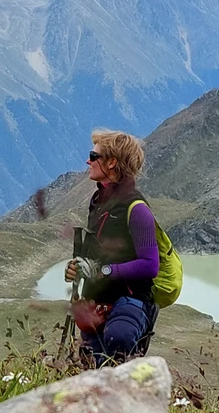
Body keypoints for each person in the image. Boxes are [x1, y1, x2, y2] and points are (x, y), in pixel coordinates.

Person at [65, 129, 161, 367]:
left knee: (118, 342)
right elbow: (98, 252)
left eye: (93, 156)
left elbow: (150, 265)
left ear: (112, 163)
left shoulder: (137, 208)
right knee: (92, 370)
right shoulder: (98, 202)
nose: (88, 161)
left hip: (130, 301)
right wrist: (77, 268)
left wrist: (104, 271)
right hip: (96, 303)